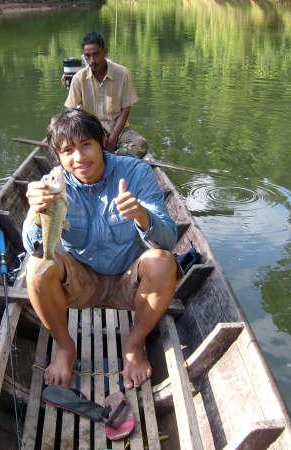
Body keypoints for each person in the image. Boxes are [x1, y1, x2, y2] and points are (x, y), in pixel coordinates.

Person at [23, 109, 177, 390]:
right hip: (79, 285)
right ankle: (65, 347)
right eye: (68, 150)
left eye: (86, 145)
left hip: (130, 283)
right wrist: (36, 213)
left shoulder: (136, 173)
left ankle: (134, 344)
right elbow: (33, 247)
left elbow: (168, 240)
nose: (79, 158)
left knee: (163, 262)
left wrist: (142, 215)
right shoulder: (52, 184)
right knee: (37, 268)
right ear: (57, 156)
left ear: (102, 142)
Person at [64, 31, 148, 158]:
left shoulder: (122, 73)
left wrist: (113, 139)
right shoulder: (78, 78)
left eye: (95, 55)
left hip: (118, 130)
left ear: (105, 52)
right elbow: (70, 111)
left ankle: (106, 159)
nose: (92, 60)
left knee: (140, 145)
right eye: (87, 56)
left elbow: (126, 108)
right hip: (90, 131)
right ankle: (111, 159)